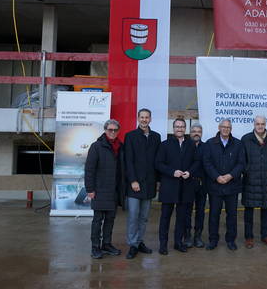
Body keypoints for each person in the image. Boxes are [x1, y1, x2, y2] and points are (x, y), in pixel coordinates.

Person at [155, 118, 200, 254]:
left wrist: (189, 172)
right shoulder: (165, 144)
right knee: (165, 217)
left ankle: (178, 243)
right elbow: (158, 163)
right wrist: (172, 172)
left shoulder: (191, 144)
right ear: (173, 128)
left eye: (182, 126)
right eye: (177, 126)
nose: (179, 129)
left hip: (185, 186)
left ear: (185, 129)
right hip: (169, 186)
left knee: (181, 217)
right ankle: (163, 245)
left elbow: (197, 161)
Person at [123, 108, 161, 259]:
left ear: (150, 119)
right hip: (135, 184)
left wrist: (158, 181)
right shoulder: (130, 136)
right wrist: (133, 180)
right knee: (133, 215)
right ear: (138, 118)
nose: (144, 120)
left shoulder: (156, 137)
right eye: (142, 117)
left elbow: (157, 161)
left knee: (144, 217)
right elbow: (128, 160)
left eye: (147, 117)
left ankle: (139, 242)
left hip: (150, 183)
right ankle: (132, 244)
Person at [85, 119, 125, 259]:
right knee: (98, 220)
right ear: (105, 130)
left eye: (115, 130)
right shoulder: (96, 146)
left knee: (110, 219)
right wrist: (90, 189)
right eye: (110, 129)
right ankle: (95, 247)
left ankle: (106, 244)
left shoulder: (120, 146)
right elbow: (89, 169)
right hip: (99, 190)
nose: (112, 132)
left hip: (114, 190)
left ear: (118, 131)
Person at [202, 119, 245, 251]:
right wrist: (217, 177)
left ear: (231, 129)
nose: (226, 129)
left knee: (232, 215)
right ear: (219, 127)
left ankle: (231, 240)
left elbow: (241, 163)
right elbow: (206, 162)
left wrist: (230, 175)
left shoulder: (238, 144)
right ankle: (213, 240)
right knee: (214, 215)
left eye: (228, 127)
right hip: (215, 186)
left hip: (232, 186)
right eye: (224, 127)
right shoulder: (210, 143)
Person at [241, 116, 267, 248]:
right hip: (250, 181)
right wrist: (247, 171)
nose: (260, 126)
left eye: (262, 124)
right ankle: (249, 237)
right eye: (257, 124)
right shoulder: (246, 139)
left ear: (265, 124)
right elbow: (242, 159)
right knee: (249, 212)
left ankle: (266, 236)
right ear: (254, 124)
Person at [184, 123, 207, 248]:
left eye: (199, 131)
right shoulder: (185, 145)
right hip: (187, 183)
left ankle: (198, 236)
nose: (196, 133)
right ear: (190, 133)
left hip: (202, 184)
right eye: (194, 131)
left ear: (201, 133)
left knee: (200, 211)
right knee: (187, 210)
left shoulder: (207, 147)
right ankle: (187, 235)